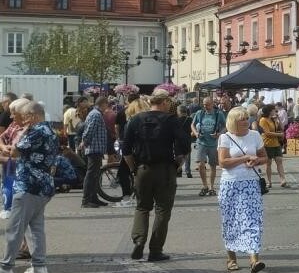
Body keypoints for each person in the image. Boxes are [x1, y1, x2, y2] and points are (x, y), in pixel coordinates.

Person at [123, 89, 187, 261]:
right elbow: (185, 144)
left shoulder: (136, 120)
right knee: (163, 210)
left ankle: (139, 241)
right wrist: (178, 163)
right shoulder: (171, 120)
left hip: (142, 169)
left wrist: (133, 169)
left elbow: (126, 150)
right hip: (165, 169)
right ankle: (155, 250)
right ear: (164, 102)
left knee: (142, 207)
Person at [0, 102, 57, 273]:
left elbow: (16, 152)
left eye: (24, 117)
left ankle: (6, 267)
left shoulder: (35, 131)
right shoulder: (50, 131)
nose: (21, 121)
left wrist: (21, 135)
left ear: (33, 116)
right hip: (44, 186)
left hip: (28, 185)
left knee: (15, 228)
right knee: (36, 228)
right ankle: (39, 267)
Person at [216, 107, 268, 273]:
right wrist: (244, 158)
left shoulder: (255, 135)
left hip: (251, 184)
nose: (246, 121)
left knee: (253, 221)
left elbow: (264, 157)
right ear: (233, 122)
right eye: (242, 119)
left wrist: (256, 161)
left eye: (246, 118)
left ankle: (254, 260)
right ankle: (231, 258)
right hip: (230, 185)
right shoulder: (225, 137)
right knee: (231, 221)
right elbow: (223, 162)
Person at [78, 97, 110, 208]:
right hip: (94, 148)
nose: (107, 107)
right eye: (107, 104)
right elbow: (90, 130)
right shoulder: (96, 114)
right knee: (91, 174)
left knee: (95, 175)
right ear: (103, 104)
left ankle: (93, 198)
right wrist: (85, 142)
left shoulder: (95, 113)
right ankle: (86, 200)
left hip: (96, 148)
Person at [191, 97, 226, 197]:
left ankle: (211, 187)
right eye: (204, 104)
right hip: (201, 142)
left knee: (212, 165)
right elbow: (192, 125)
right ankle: (205, 185)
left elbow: (225, 126)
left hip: (213, 143)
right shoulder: (199, 113)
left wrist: (219, 134)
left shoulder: (218, 114)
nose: (205, 106)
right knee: (200, 165)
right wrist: (196, 133)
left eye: (207, 104)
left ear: (212, 104)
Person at [257, 103, 287, 188]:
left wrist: (278, 119)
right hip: (267, 144)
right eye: (274, 109)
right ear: (270, 111)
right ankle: (269, 181)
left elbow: (281, 128)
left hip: (276, 143)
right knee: (268, 163)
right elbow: (267, 133)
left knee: (279, 161)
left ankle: (283, 179)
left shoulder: (273, 119)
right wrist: (279, 135)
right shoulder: (263, 120)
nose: (275, 110)